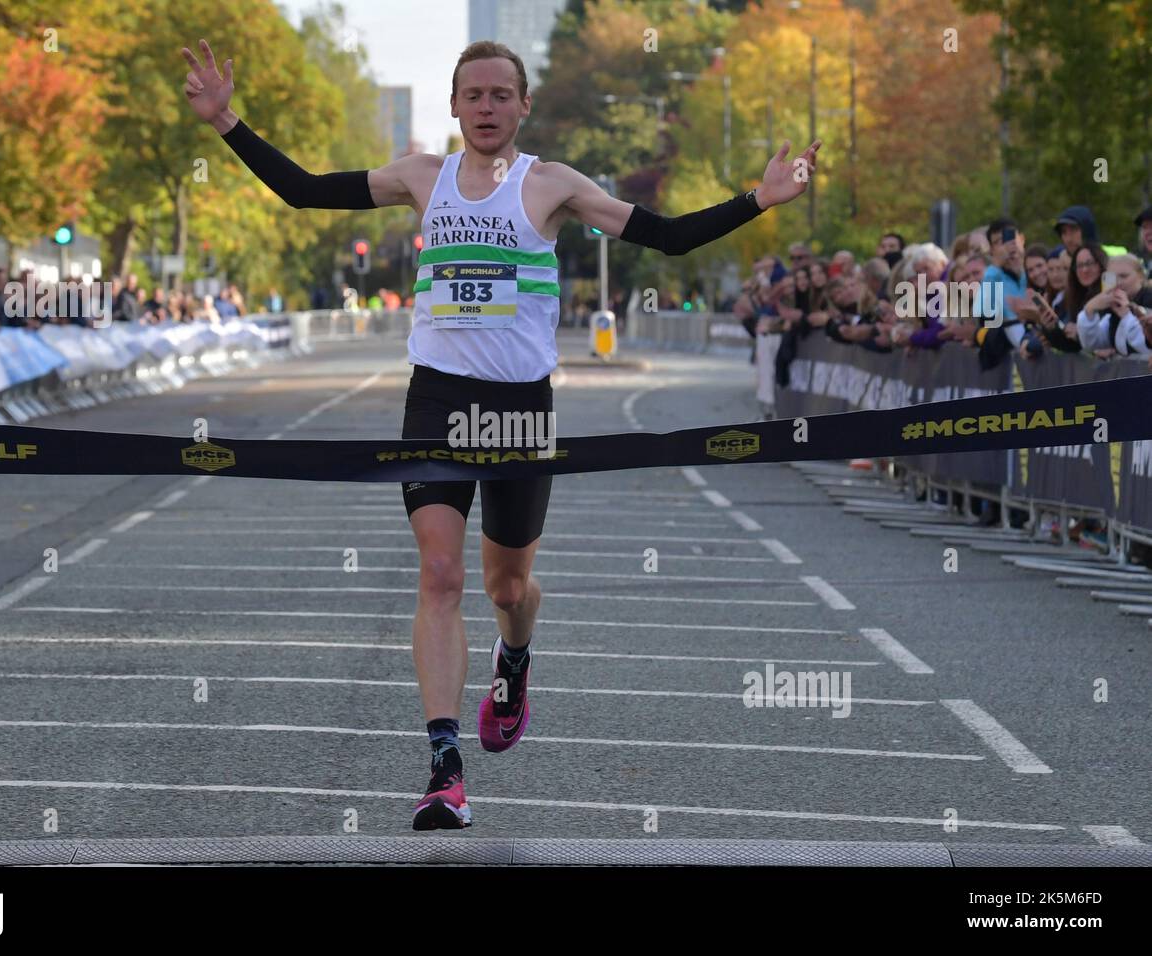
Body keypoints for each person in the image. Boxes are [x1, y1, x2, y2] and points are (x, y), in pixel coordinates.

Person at [182, 36, 818, 831]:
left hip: (519, 408)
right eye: (473, 95)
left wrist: (758, 199)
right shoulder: (422, 175)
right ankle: (444, 765)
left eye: (500, 95)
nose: (486, 108)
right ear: (454, 105)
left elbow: (667, 236)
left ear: (523, 105)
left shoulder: (552, 185)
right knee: (440, 573)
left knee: (508, 588)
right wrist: (226, 122)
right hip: (436, 401)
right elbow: (305, 191)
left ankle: (514, 655)